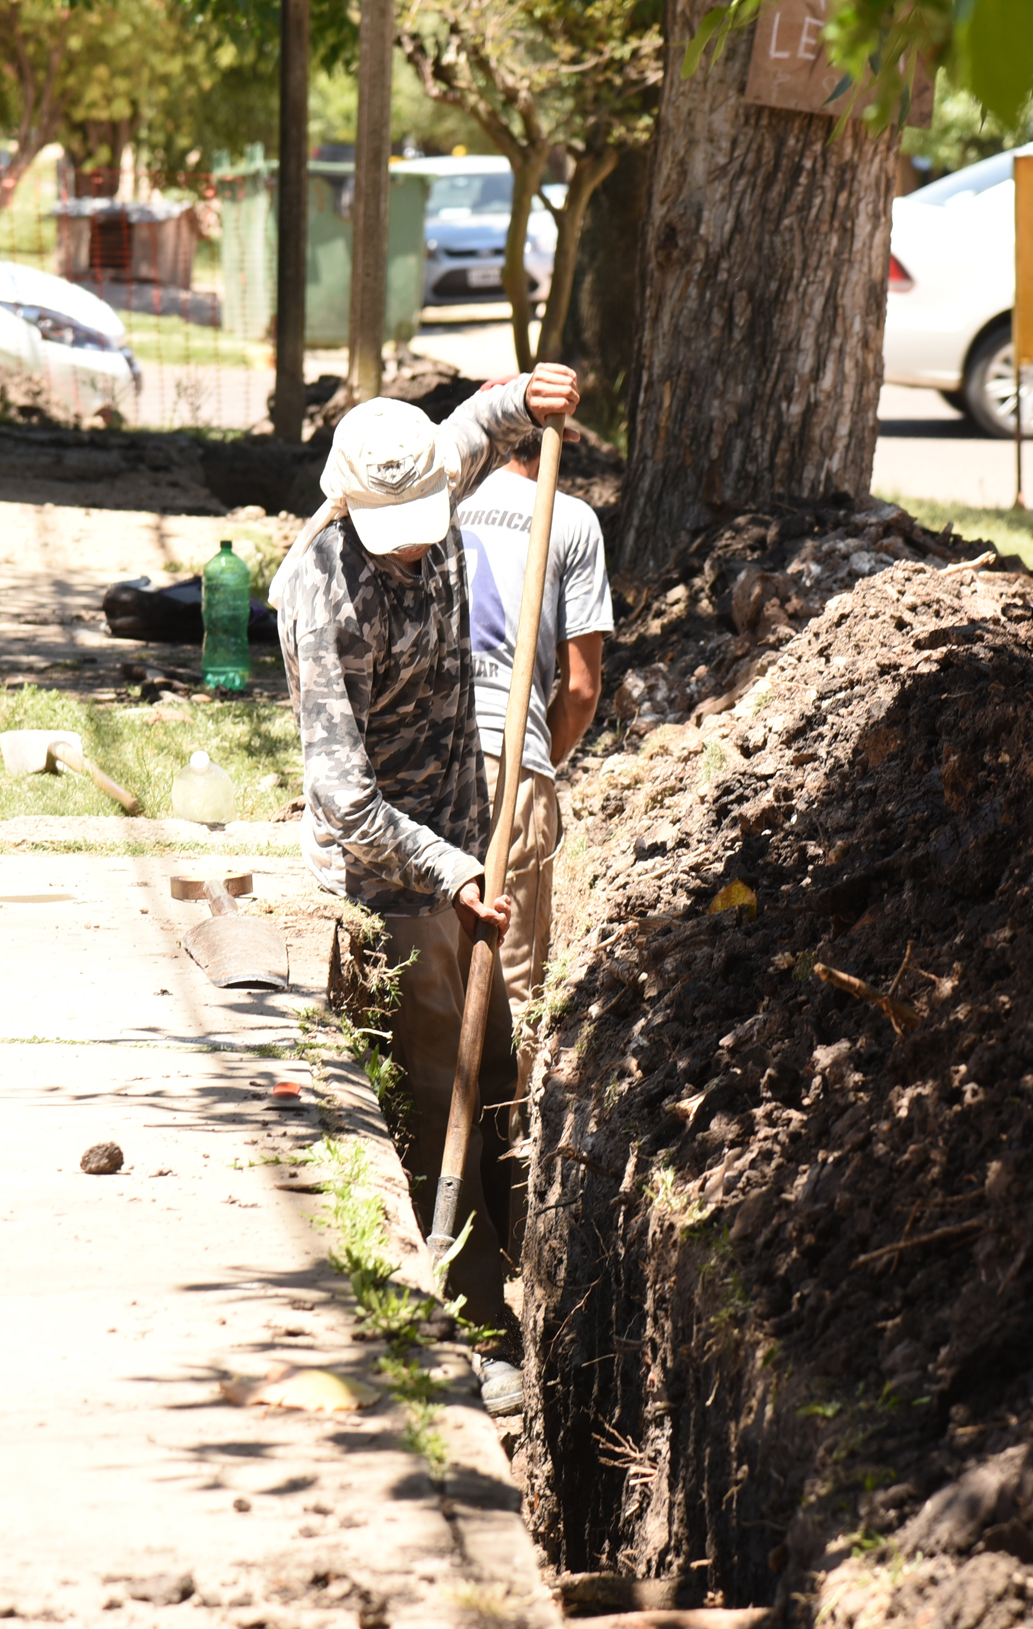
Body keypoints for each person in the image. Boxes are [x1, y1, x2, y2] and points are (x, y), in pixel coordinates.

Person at [273, 363, 582, 1335]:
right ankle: (469, 1315)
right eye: (393, 541)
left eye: (423, 528)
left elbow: (478, 428)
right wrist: (449, 874)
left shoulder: (423, 479)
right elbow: (341, 797)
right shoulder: (318, 598)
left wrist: (527, 399)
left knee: (494, 1075)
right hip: (393, 879)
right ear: (348, 501)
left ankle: (533, 1279)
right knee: (433, 1092)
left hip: (465, 837)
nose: (412, 550)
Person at [456, 434, 611, 1036]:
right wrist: (542, 760)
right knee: (511, 977)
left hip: (427, 752)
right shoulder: (570, 520)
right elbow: (579, 690)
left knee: (431, 952)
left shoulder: (442, 501)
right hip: (510, 757)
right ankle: (503, 1128)